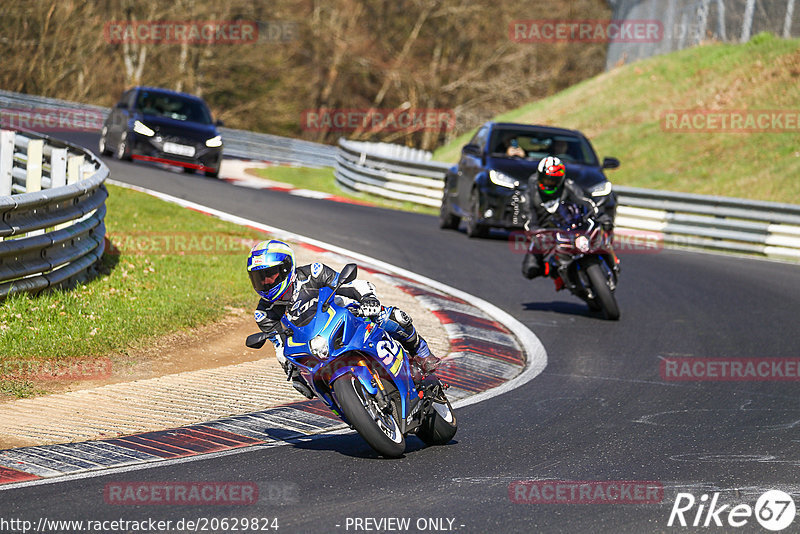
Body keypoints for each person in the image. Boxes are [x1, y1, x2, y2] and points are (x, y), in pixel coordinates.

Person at [247, 239, 440, 399]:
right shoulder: (264, 313)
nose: (265, 282)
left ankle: (421, 352)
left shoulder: (313, 273)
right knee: (312, 381)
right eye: (258, 278)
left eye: (269, 275)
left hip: (345, 316)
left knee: (390, 315)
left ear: (286, 268)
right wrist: (295, 375)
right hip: (315, 345)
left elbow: (351, 285)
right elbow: (280, 347)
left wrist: (368, 299)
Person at [521, 156, 613, 280]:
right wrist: (536, 233)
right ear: (539, 176)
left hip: (571, 226)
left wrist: (600, 215)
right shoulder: (529, 194)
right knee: (530, 270)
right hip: (545, 232)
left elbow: (586, 201)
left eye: (554, 180)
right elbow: (528, 219)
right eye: (547, 180)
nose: (550, 183)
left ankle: (611, 260)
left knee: (602, 229)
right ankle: (554, 269)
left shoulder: (568, 185)